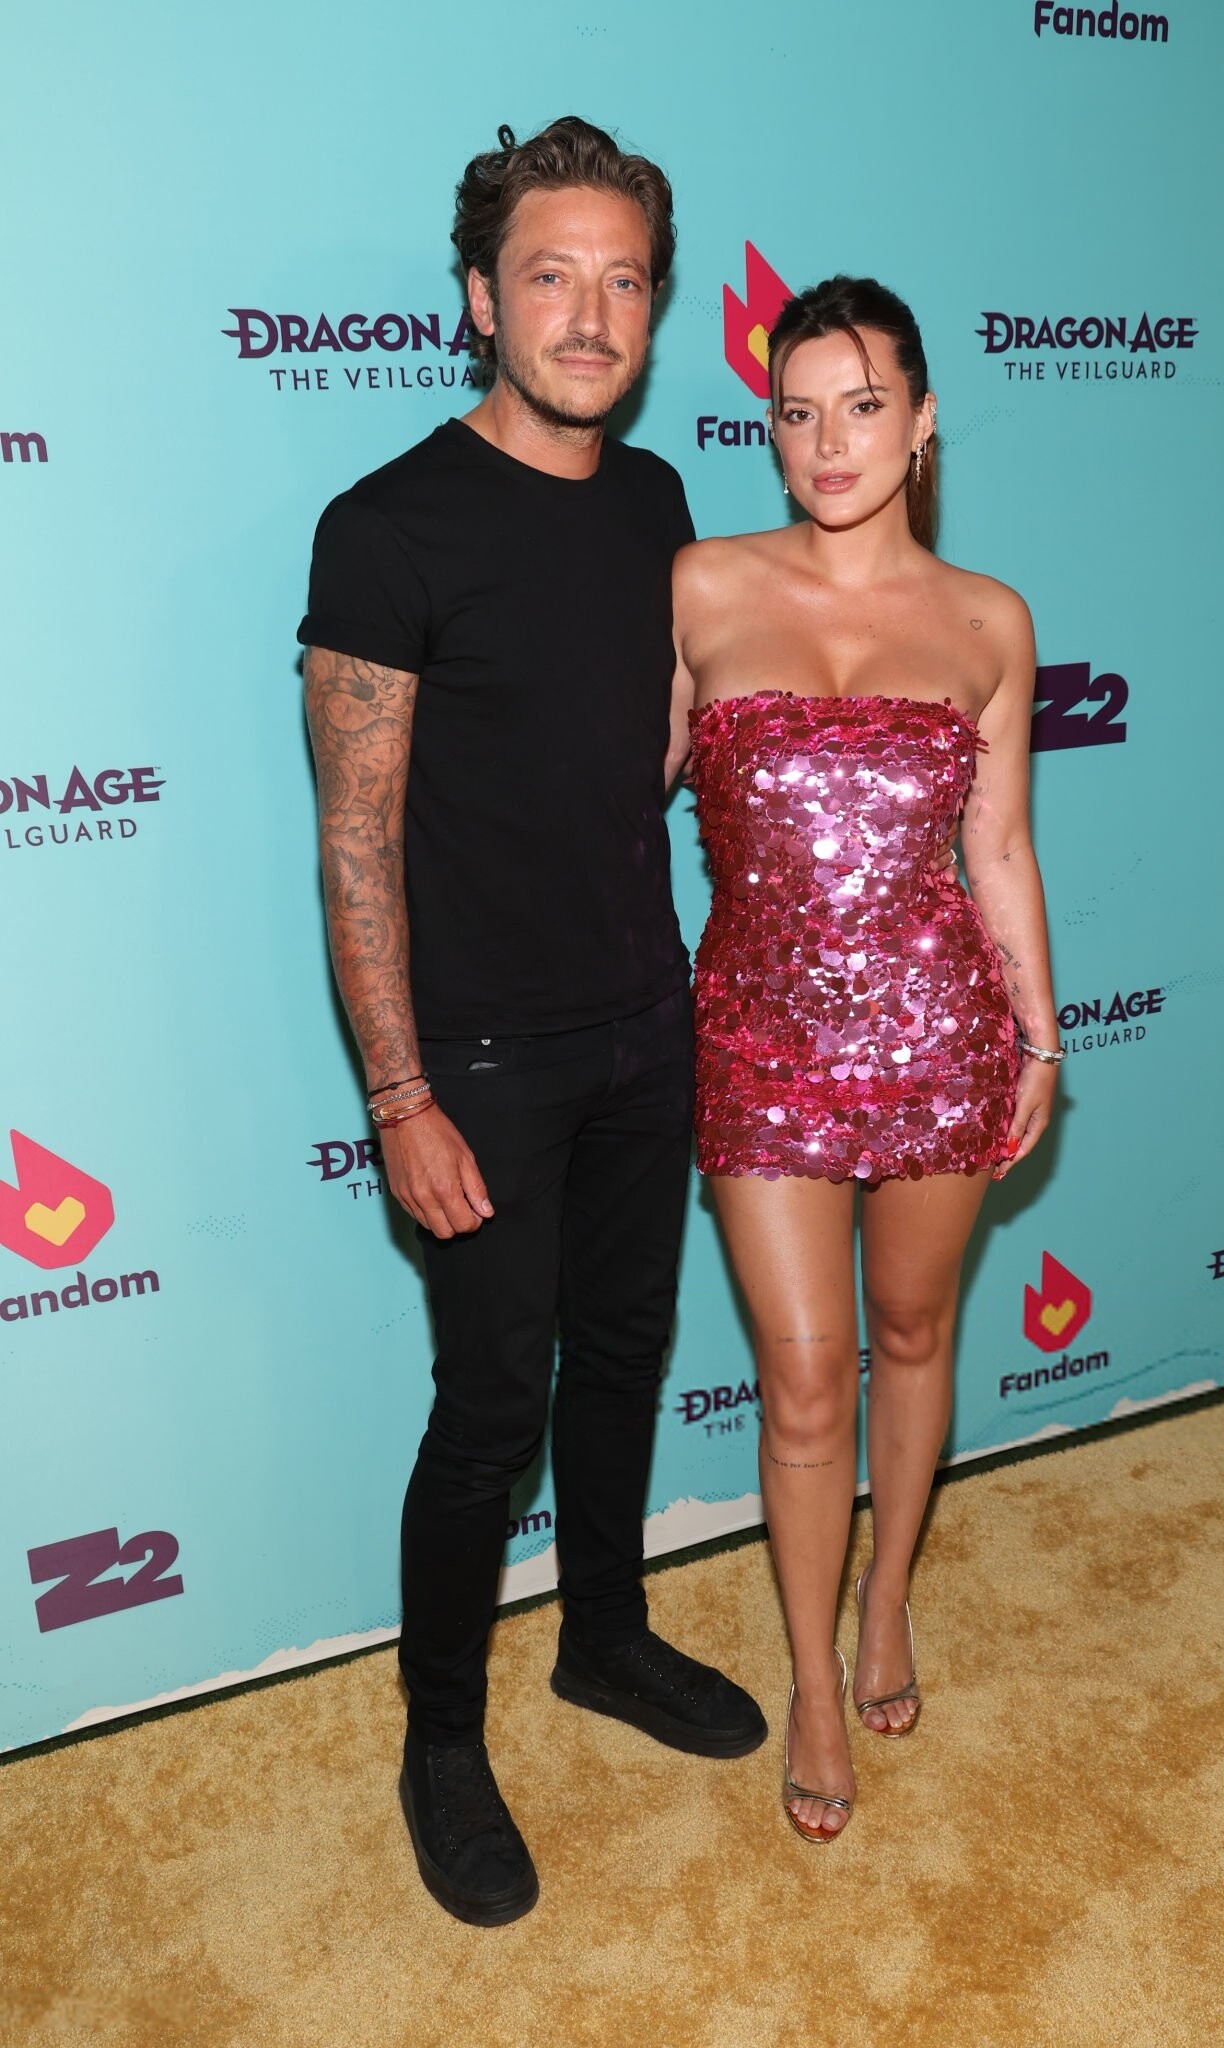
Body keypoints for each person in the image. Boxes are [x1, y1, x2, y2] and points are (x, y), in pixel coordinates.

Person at [298, 116, 765, 1929]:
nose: (589, 315)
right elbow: (355, 841)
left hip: (648, 1017)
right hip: (481, 1061)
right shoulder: (387, 527)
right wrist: (400, 1093)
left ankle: (604, 1636)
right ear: (483, 300)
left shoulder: (654, 502)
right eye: (549, 276)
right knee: (491, 1407)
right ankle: (439, 1740)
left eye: (623, 281)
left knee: (626, 1353)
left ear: (653, 306)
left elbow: (636, 747)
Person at [670, 276, 1061, 1844]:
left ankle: (886, 1594)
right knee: (801, 1371)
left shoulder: (987, 619)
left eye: (861, 406)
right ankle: (813, 1684)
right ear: (767, 430)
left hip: (936, 1034)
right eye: (795, 411)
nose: (827, 443)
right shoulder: (698, 585)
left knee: (910, 1329)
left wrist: (1038, 1032)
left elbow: (1000, 847)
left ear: (921, 420)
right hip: (753, 1036)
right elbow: (610, 786)